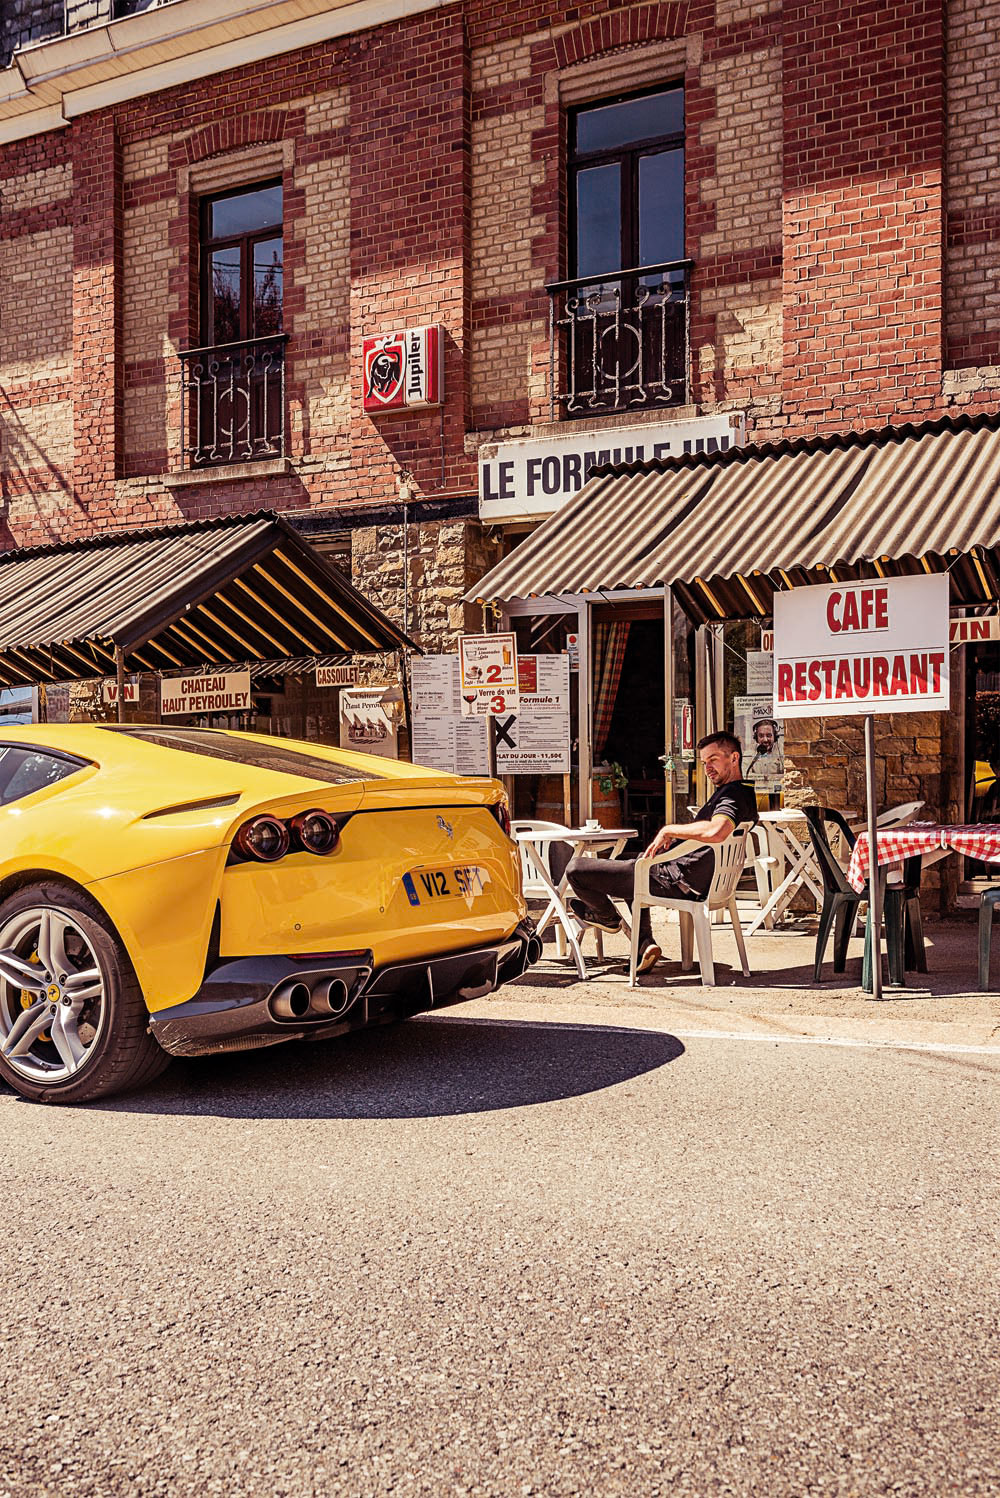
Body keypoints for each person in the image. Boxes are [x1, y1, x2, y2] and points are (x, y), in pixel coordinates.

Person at [565, 731, 758, 974]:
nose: (708, 768)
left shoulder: (733, 794)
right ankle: (644, 946)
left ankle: (606, 918)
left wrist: (670, 830)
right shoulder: (743, 791)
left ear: (734, 758)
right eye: (704, 762)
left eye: (714, 759)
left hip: (679, 881)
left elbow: (717, 831)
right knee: (635, 864)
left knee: (576, 869)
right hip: (685, 878)